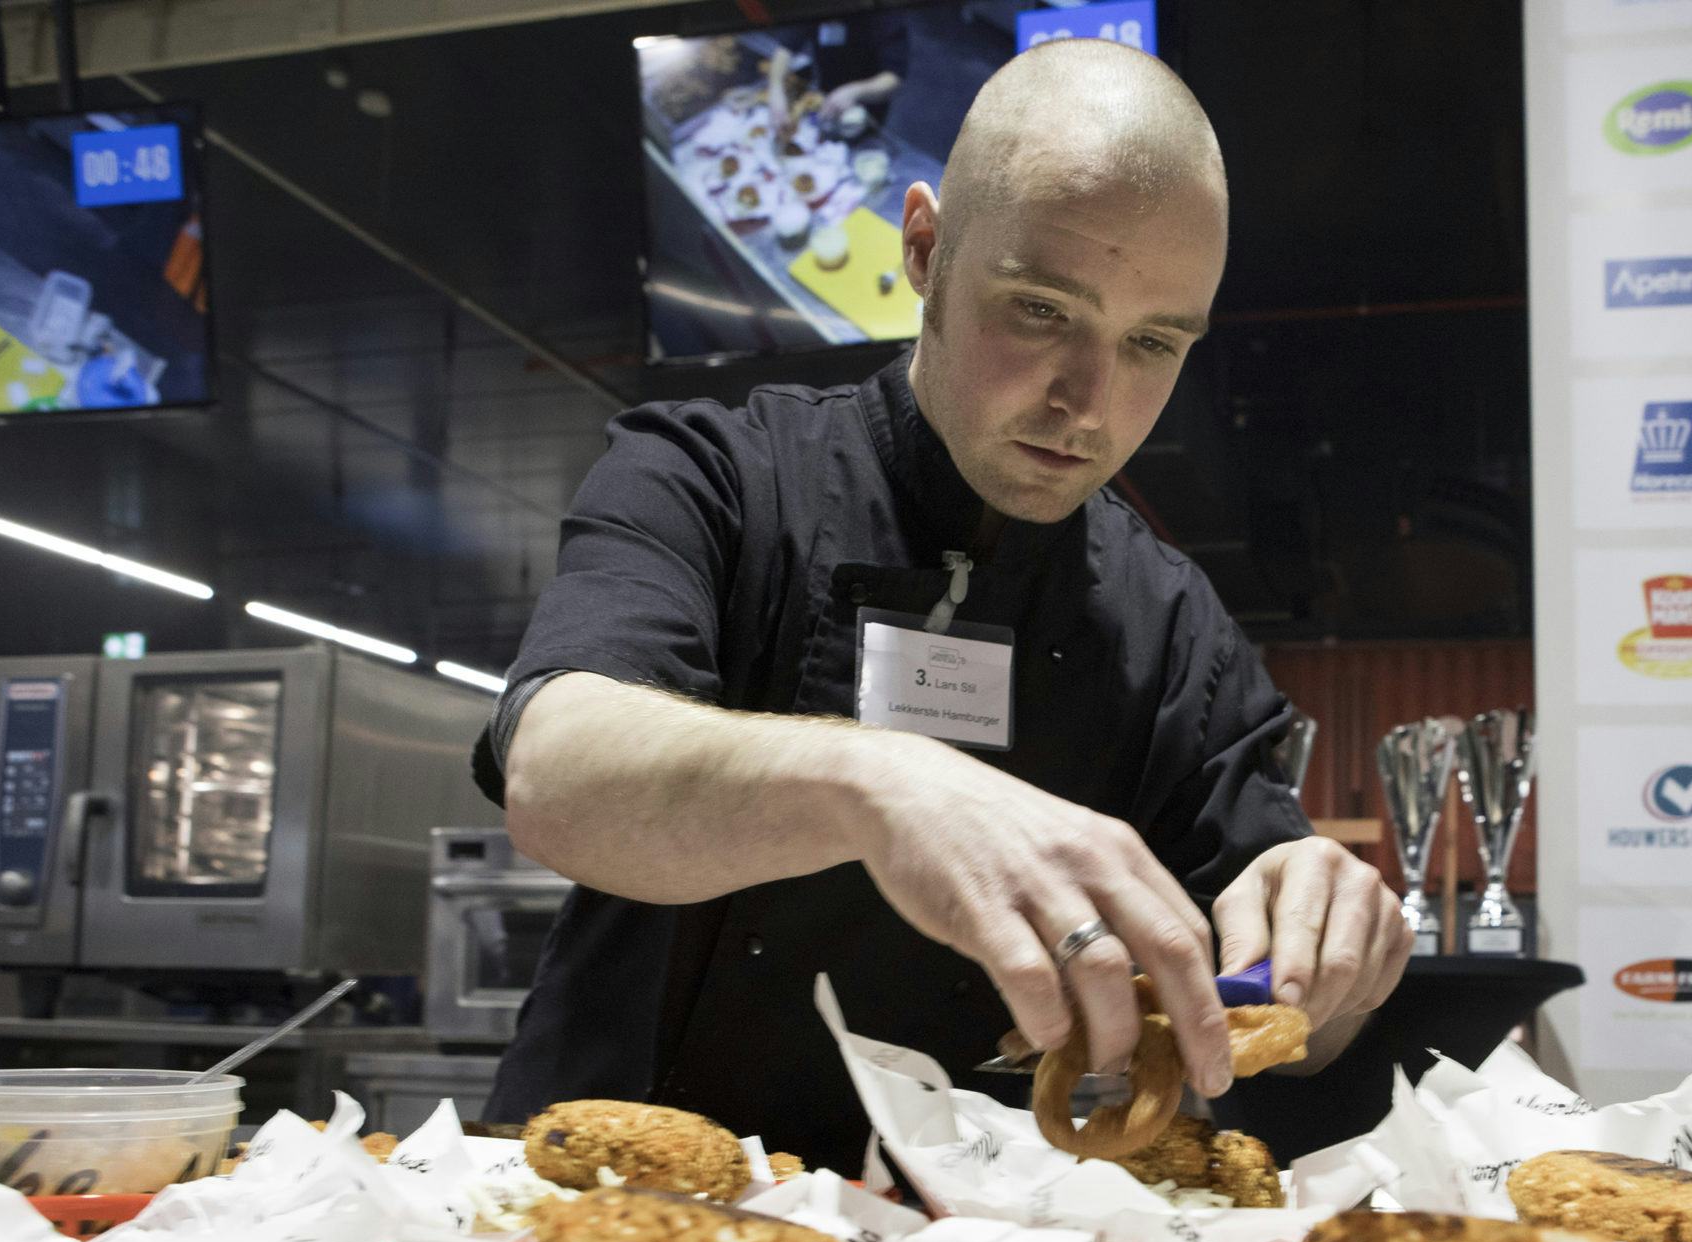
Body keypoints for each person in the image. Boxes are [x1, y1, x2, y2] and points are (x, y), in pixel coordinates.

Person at [479, 41, 1411, 1171]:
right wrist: (880, 783)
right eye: (1037, 309)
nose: (1086, 401)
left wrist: (1335, 952)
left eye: (1153, 344)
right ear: (923, 249)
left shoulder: (1174, 630)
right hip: (613, 1197)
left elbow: (1286, 1031)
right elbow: (557, 771)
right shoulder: (712, 476)